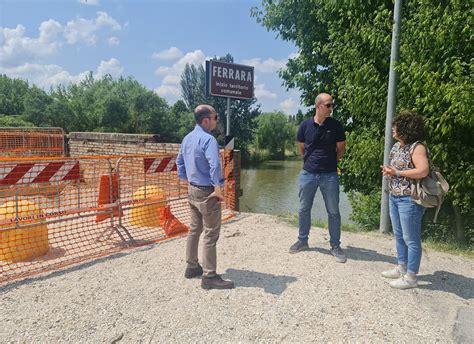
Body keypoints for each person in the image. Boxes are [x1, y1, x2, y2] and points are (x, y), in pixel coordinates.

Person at [176, 104, 234, 290]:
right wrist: (217, 189)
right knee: (210, 233)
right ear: (206, 120)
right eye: (216, 117)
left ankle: (192, 267)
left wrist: (189, 179)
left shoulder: (187, 139)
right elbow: (214, 165)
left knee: (195, 228)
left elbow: (179, 163)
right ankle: (209, 276)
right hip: (208, 191)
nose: (217, 120)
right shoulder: (209, 140)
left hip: (192, 189)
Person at [289, 92, 347, 263]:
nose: (331, 108)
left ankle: (335, 246)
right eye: (328, 105)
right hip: (308, 174)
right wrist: (311, 163)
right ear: (318, 105)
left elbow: (341, 150)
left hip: (329, 175)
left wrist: (330, 163)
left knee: (333, 211)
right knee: (303, 209)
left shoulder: (336, 126)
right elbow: (301, 149)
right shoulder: (305, 125)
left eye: (332, 105)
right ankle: (302, 240)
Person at [380, 111, 429, 289]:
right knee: (399, 235)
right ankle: (402, 268)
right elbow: (397, 168)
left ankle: (411, 277)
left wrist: (397, 172)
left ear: (406, 128)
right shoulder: (397, 146)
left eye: (396, 125)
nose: (393, 128)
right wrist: (389, 171)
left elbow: (423, 171)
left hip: (409, 199)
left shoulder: (417, 147)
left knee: (411, 238)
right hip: (394, 196)